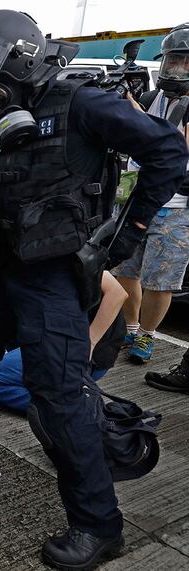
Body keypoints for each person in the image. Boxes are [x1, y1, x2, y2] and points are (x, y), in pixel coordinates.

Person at [0, 10, 188, 570]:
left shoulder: (80, 103)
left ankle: (99, 525)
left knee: (58, 395)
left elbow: (168, 153)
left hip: (55, 273)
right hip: (8, 264)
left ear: (22, 59)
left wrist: (127, 233)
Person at [113, 23, 189, 364]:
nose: (178, 69)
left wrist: (143, 123)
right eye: (173, 60)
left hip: (175, 206)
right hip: (134, 198)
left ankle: (147, 335)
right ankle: (130, 328)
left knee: (161, 279)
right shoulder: (147, 98)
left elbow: (176, 151)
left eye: (186, 62)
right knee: (125, 269)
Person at [0, 272, 128, 413]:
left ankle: (75, 408)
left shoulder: (64, 257)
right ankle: (65, 395)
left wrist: (90, 341)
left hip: (82, 353)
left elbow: (117, 293)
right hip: (53, 340)